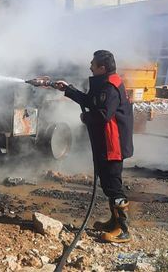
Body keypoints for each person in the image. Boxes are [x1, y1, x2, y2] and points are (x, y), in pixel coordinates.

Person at [54, 50, 134, 243]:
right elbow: (92, 101)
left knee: (114, 186)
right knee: (108, 184)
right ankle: (114, 222)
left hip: (112, 145)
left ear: (102, 68)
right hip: (106, 143)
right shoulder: (106, 83)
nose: (90, 66)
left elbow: (103, 114)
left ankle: (123, 230)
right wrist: (68, 89)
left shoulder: (111, 87)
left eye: (93, 64)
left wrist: (85, 117)